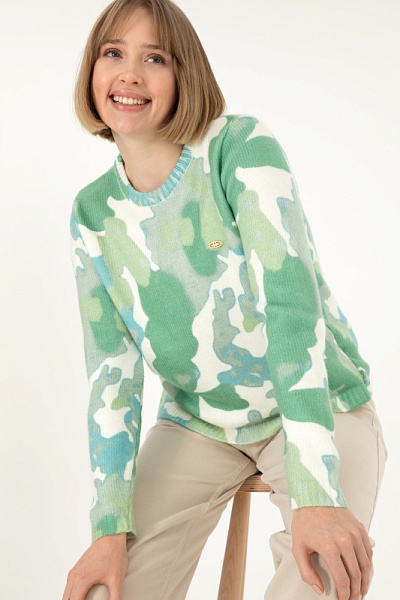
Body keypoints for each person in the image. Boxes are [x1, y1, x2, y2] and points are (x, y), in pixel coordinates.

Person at [63, 1, 386, 599]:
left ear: (184, 74)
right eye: (113, 53)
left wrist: (316, 493)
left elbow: (291, 309)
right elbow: (112, 373)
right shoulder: (91, 213)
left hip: (319, 405)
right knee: (108, 591)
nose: (129, 73)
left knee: (322, 577)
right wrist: (108, 527)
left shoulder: (239, 147)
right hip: (199, 423)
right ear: (92, 70)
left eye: (154, 58)